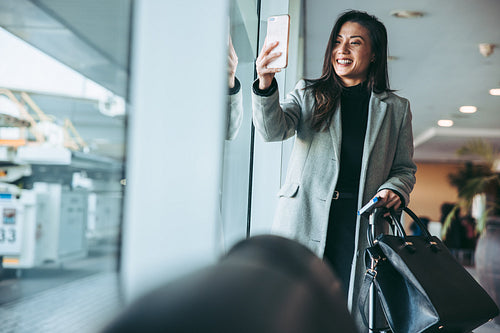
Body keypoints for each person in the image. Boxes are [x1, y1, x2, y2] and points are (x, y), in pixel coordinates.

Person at [252, 9, 416, 331]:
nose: (342, 50)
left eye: (355, 43)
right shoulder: (309, 93)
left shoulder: (395, 109)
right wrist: (266, 83)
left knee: (346, 307)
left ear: (374, 54)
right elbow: (272, 131)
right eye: (338, 42)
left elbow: (404, 169)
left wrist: (395, 188)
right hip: (305, 216)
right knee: (295, 305)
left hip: (358, 225)